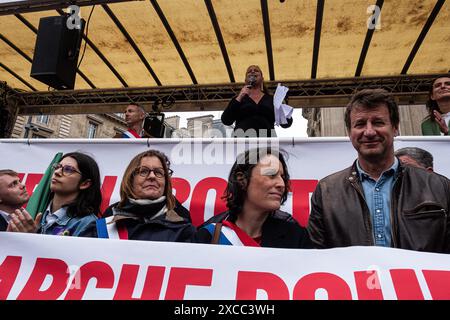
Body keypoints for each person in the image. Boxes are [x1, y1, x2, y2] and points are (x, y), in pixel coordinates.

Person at [307, 89, 450, 253]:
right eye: (360, 124)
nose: (369, 132)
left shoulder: (440, 186)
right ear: (349, 132)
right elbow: (316, 257)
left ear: (395, 128)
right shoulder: (326, 191)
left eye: (378, 122)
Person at [195, 148, 312, 248]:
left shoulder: (296, 238)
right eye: (271, 175)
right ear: (242, 180)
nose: (281, 184)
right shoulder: (207, 235)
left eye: (283, 177)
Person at [81, 150, 195, 242]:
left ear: (166, 182)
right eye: (143, 171)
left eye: (159, 172)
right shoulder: (101, 227)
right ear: (130, 179)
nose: (152, 176)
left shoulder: (184, 230)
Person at [8, 152, 102, 236]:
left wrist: (32, 238)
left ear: (85, 183)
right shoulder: (36, 211)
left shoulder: (87, 223)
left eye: (68, 169)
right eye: (57, 167)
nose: (57, 172)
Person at [221, 65, 293, 137]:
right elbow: (226, 120)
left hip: (267, 142)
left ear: (262, 78)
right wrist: (240, 96)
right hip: (242, 143)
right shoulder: (238, 99)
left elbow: (286, 124)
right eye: (249, 71)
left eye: (256, 70)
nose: (252, 71)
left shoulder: (272, 99)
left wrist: (282, 105)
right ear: (245, 80)